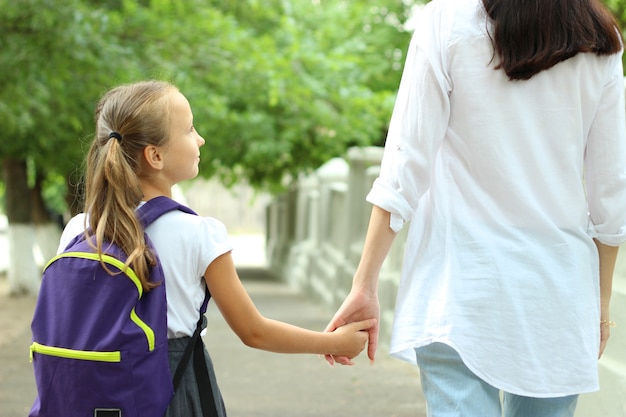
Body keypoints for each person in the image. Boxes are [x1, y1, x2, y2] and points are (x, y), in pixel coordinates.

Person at [325, 0, 626, 415]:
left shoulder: (445, 21)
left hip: (459, 291)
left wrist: (364, 285)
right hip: (556, 297)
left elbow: (403, 169)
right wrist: (599, 306)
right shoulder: (599, 40)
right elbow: (610, 196)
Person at [57, 80, 375, 417]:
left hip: (86, 394)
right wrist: (334, 343)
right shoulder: (199, 234)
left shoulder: (79, 229)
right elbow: (254, 331)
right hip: (169, 391)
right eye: (190, 129)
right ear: (155, 155)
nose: (200, 139)